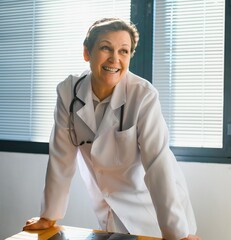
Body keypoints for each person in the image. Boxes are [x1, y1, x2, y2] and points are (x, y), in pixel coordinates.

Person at [23, 18, 200, 240]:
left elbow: (157, 163)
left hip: (156, 209)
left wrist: (176, 233)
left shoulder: (143, 95)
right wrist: (49, 216)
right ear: (87, 52)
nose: (114, 58)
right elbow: (61, 157)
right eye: (106, 47)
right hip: (109, 208)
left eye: (123, 51)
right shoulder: (68, 92)